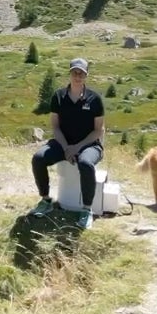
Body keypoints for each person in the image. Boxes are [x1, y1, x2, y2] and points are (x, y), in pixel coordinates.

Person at [31, 57, 105, 223]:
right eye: (75, 72)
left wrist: (77, 148)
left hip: (90, 145)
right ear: (70, 73)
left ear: (86, 75)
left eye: (82, 73)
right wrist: (66, 148)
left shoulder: (94, 99)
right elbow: (56, 127)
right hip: (62, 143)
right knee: (38, 158)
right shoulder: (58, 97)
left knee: (85, 164)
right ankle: (45, 200)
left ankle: (86, 210)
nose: (78, 76)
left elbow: (98, 130)